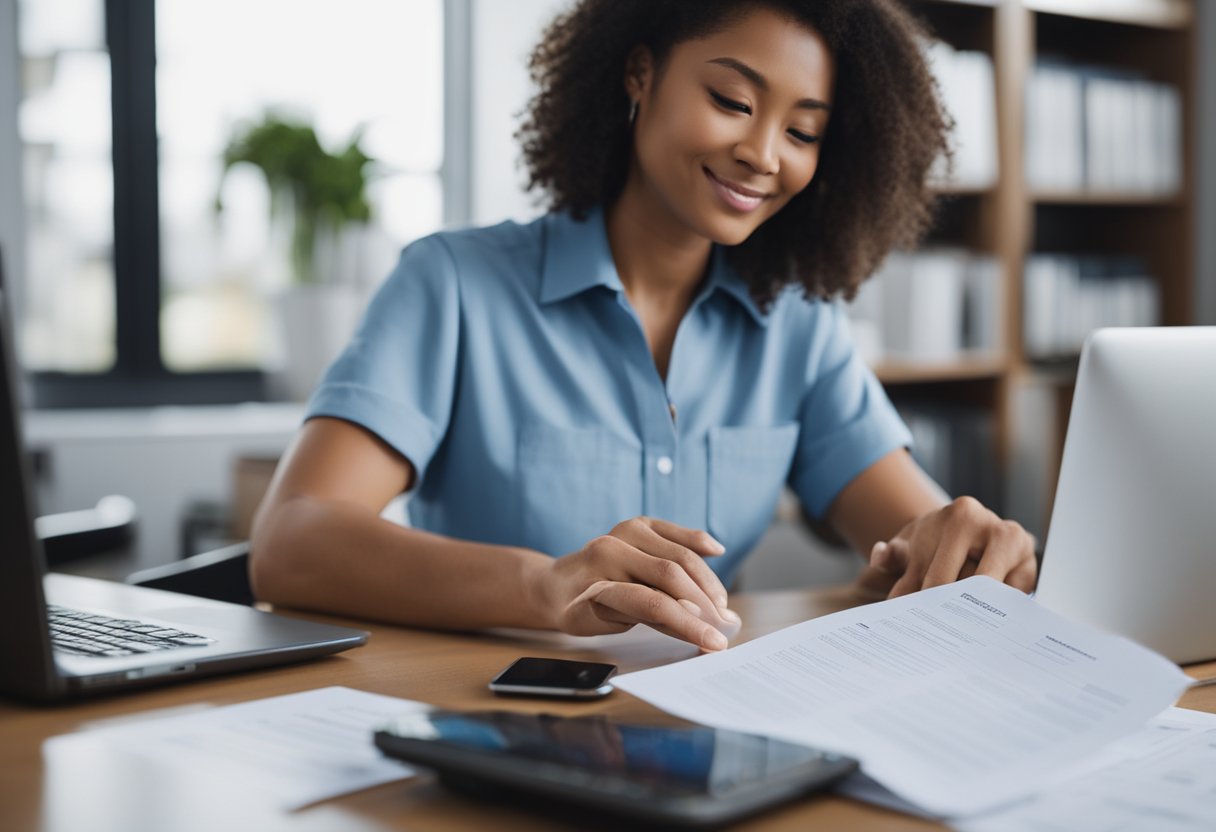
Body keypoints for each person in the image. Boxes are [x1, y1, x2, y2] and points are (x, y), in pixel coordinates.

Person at [251, 0, 1037, 653]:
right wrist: (546, 584)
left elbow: (915, 533)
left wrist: (963, 548)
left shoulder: (797, 323)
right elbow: (292, 543)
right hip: (492, 728)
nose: (763, 154)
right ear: (640, 73)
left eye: (802, 133)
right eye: (732, 101)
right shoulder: (455, 284)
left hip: (710, 734)